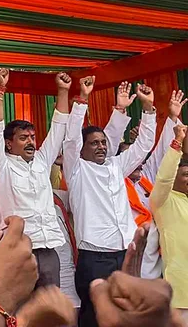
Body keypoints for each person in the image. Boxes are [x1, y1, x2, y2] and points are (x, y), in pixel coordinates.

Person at [63, 78, 157, 327]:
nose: (101, 147)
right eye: (94, 143)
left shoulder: (117, 165)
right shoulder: (77, 170)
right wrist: (82, 99)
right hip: (95, 257)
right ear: (82, 150)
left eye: (103, 142)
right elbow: (70, 140)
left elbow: (144, 145)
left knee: (127, 311)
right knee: (95, 315)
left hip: (125, 252)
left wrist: (148, 110)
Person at [0, 69, 71, 288]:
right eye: (23, 138)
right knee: (20, 314)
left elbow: (59, 129)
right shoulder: (0, 167)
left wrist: (62, 91)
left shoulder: (42, 161)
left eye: (32, 137)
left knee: (49, 311)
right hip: (17, 250)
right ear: (9, 143)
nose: (31, 142)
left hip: (49, 249)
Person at [110, 90, 187, 279]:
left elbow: (161, 152)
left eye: (139, 159)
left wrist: (172, 117)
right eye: (131, 158)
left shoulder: (145, 178)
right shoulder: (113, 182)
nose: (137, 162)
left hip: (155, 255)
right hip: (128, 254)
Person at [150, 124, 188, 322]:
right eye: (186, 175)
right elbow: (164, 178)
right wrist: (177, 143)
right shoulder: (164, 201)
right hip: (182, 293)